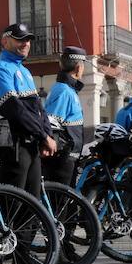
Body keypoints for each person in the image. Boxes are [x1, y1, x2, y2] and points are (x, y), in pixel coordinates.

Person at [0, 23, 56, 200]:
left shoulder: (24, 71)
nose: (25, 43)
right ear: (5, 41)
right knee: (12, 203)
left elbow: (39, 109)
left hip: (31, 144)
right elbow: (16, 111)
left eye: (28, 40)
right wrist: (43, 136)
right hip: (14, 146)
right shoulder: (0, 70)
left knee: (33, 203)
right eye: (20, 40)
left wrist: (47, 134)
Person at [42, 46, 87, 186]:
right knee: (61, 203)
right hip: (63, 158)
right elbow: (52, 123)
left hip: (67, 155)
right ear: (79, 68)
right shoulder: (64, 91)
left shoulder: (65, 89)